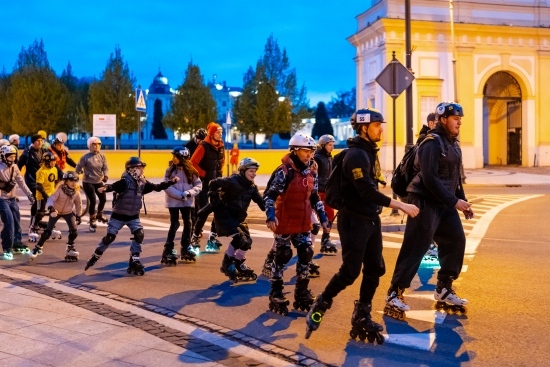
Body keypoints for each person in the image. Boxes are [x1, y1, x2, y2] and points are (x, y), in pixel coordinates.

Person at [305, 108, 419, 342]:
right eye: (377, 125)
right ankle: (322, 302)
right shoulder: (356, 155)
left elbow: (372, 186)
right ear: (364, 128)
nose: (381, 129)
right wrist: (401, 206)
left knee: (375, 268)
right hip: (353, 220)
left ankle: (362, 313)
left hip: (370, 219)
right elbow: (366, 191)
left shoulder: (368, 152)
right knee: (350, 271)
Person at [384, 101, 474, 320]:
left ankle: (444, 287)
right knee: (416, 246)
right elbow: (431, 179)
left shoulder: (453, 144)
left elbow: (455, 180)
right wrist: (454, 202)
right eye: (455, 119)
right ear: (443, 119)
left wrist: (462, 201)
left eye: (460, 119)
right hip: (423, 201)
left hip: (444, 203)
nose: (459, 122)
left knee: (456, 241)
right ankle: (394, 293)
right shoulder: (431, 143)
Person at [263, 133, 329, 316]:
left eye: (311, 151)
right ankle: (276, 291)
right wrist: (270, 216)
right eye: (305, 151)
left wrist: (323, 217)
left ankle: (302, 292)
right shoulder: (285, 171)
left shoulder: (312, 171)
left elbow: (314, 196)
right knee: (283, 254)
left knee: (306, 252)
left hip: (303, 219)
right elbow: (269, 195)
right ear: (294, 150)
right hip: (284, 219)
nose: (309, 155)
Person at [84, 157, 178, 275]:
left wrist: (171, 182)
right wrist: (106, 188)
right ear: (131, 169)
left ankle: (134, 259)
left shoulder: (142, 183)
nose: (142, 171)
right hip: (118, 216)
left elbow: (157, 187)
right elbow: (114, 186)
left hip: (133, 216)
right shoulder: (125, 181)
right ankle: (96, 255)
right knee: (110, 237)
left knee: (139, 234)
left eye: (142, 168)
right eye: (139, 168)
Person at [201, 157, 265, 282]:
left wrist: (272, 204)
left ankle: (237, 263)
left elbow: (262, 204)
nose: (254, 174)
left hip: (238, 218)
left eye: (255, 171)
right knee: (239, 239)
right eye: (251, 171)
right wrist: (213, 199)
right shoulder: (232, 181)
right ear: (243, 171)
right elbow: (213, 183)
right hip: (224, 216)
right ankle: (227, 264)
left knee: (247, 242)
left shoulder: (252, 188)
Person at [161, 146, 202, 265]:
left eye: (176, 156)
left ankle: (186, 247)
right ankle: (168, 249)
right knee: (175, 223)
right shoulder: (170, 171)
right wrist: (180, 195)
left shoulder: (192, 171)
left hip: (187, 202)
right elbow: (166, 186)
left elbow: (198, 186)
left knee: (188, 223)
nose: (173, 158)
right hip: (174, 202)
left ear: (182, 158)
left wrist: (188, 193)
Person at [29, 171, 82, 262]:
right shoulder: (60, 189)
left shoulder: (76, 192)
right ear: (66, 181)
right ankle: (37, 247)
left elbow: (78, 204)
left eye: (75, 181)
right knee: (48, 232)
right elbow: (51, 199)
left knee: (74, 232)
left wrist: (78, 215)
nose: (74, 183)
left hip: (68, 212)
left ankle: (70, 247)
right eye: (71, 181)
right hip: (56, 211)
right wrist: (51, 208)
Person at [190, 122, 225, 252]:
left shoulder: (221, 146)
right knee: (203, 211)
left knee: (219, 210)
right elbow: (192, 164)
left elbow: (222, 162)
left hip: (216, 183)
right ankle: (195, 236)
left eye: (221, 132)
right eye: (218, 132)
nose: (220, 134)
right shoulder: (203, 146)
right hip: (203, 184)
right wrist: (205, 174)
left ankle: (213, 237)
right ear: (211, 134)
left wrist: (220, 178)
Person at [0, 145, 35, 259]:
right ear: (3, 156)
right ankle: (7, 247)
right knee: (9, 222)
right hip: (2, 199)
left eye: (14, 156)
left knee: (16, 220)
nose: (12, 159)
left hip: (12, 198)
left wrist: (29, 194)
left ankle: (17, 243)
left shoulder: (15, 167)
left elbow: (21, 182)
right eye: (10, 156)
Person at [75, 136, 109, 232]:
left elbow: (105, 168)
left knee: (103, 199)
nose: (96, 147)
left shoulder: (102, 156)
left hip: (98, 181)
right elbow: (78, 168)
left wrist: (105, 176)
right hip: (88, 182)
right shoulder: (85, 157)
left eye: (98, 145)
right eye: (94, 145)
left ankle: (99, 214)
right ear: (89, 146)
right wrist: (75, 177)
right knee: (93, 201)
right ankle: (92, 219)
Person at [17, 134, 47, 237]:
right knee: (35, 201)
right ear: (33, 142)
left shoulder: (44, 152)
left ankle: (37, 222)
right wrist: (15, 177)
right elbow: (18, 166)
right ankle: (32, 225)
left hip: (42, 182)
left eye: (41, 141)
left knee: (42, 203)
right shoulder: (27, 153)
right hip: (31, 181)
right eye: (37, 141)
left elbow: (53, 164)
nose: (40, 142)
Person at [314, 134, 338, 253]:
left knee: (329, 214)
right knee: (315, 218)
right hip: (319, 191)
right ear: (323, 145)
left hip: (327, 190)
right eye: (330, 145)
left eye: (333, 145)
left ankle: (325, 239)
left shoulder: (329, 157)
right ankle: (307, 241)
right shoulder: (317, 158)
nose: (332, 147)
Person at [29, 151, 59, 242]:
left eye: (54, 161)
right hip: (41, 196)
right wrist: (45, 195)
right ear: (46, 161)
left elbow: (55, 181)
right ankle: (33, 227)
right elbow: (39, 186)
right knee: (40, 212)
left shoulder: (54, 169)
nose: (54, 163)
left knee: (53, 212)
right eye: (52, 161)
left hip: (52, 194)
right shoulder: (41, 171)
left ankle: (50, 227)